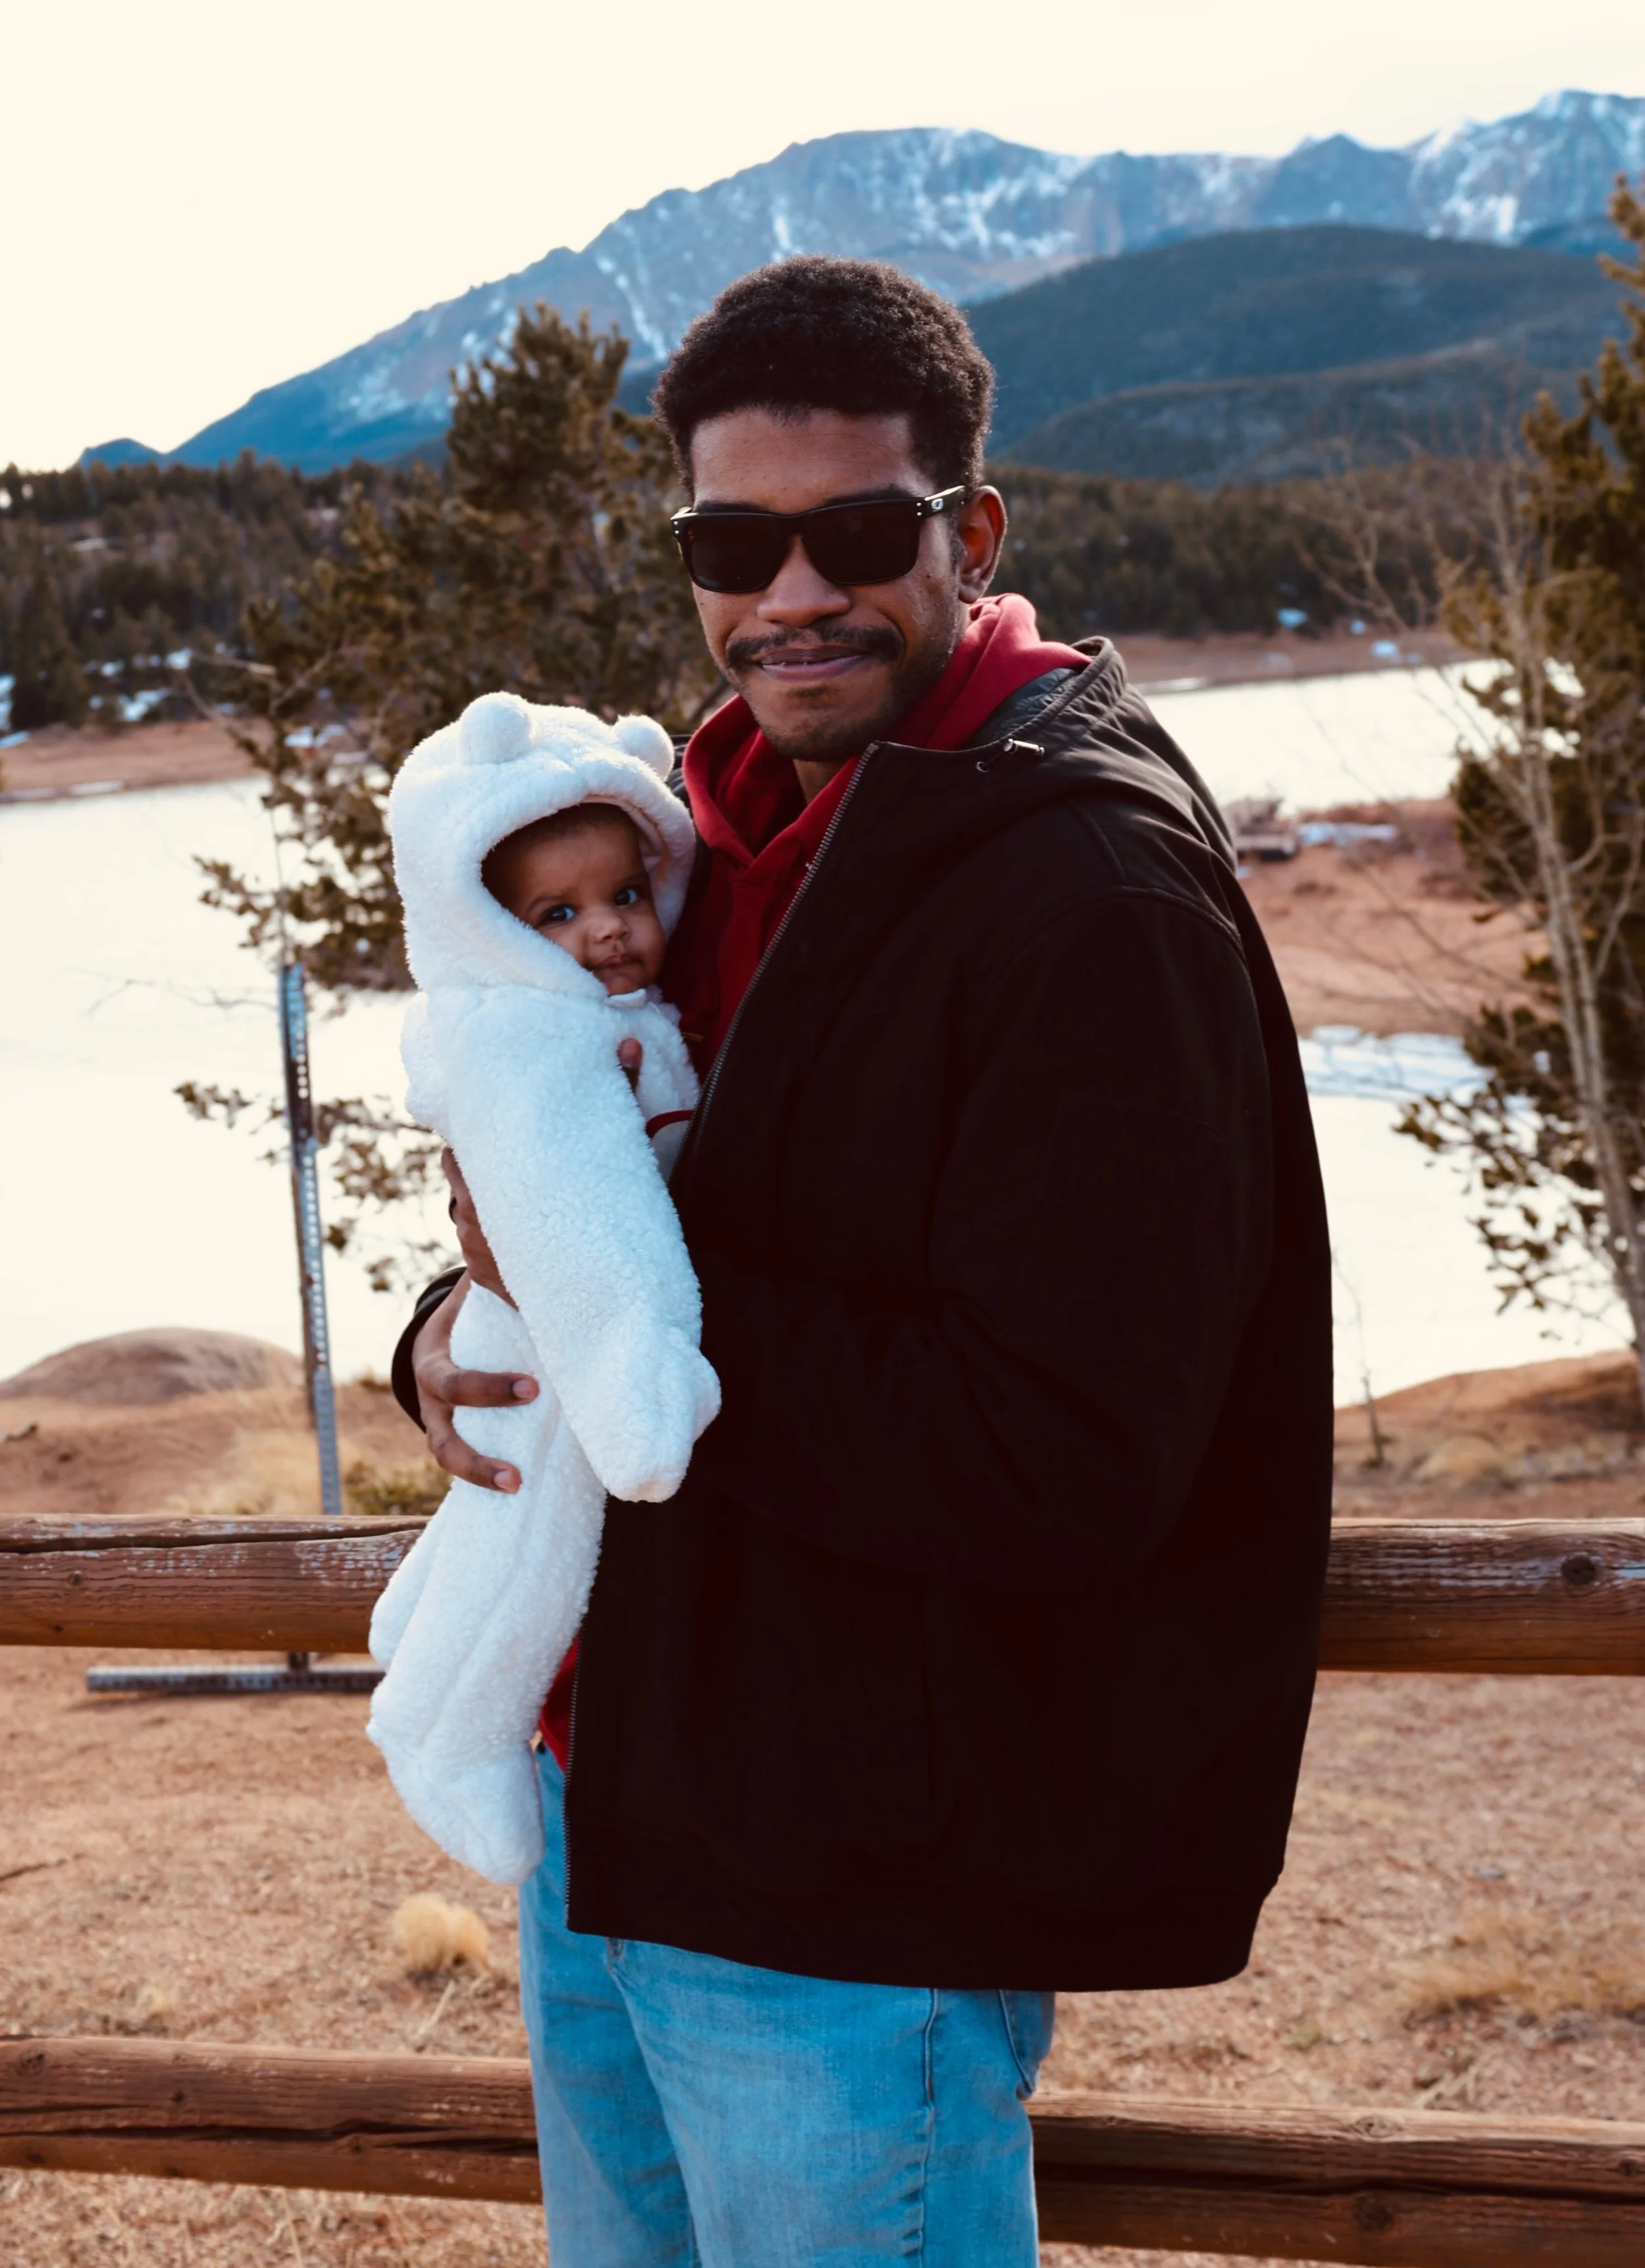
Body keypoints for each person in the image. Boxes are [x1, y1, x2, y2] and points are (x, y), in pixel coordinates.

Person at [392, 256, 1333, 2267]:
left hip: (847, 1870)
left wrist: (636, 1316)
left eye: (855, 532)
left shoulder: (1084, 886)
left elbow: (1066, 1445)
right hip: (615, 1805)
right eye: (734, 545)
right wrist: (468, 1325)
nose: (790, 593)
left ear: (967, 534)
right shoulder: (694, 839)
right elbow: (626, 1176)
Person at [368, 693, 717, 1887]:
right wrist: (637, 1384)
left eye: (625, 894)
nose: (607, 929)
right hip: (565, 1346)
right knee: (536, 1533)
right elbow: (586, 1219)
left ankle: (416, 1622)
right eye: (556, 914)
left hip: (545, 1324)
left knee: (494, 1521)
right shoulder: (538, 1041)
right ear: (486, 927)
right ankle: (448, 1725)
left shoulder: (607, 1015)